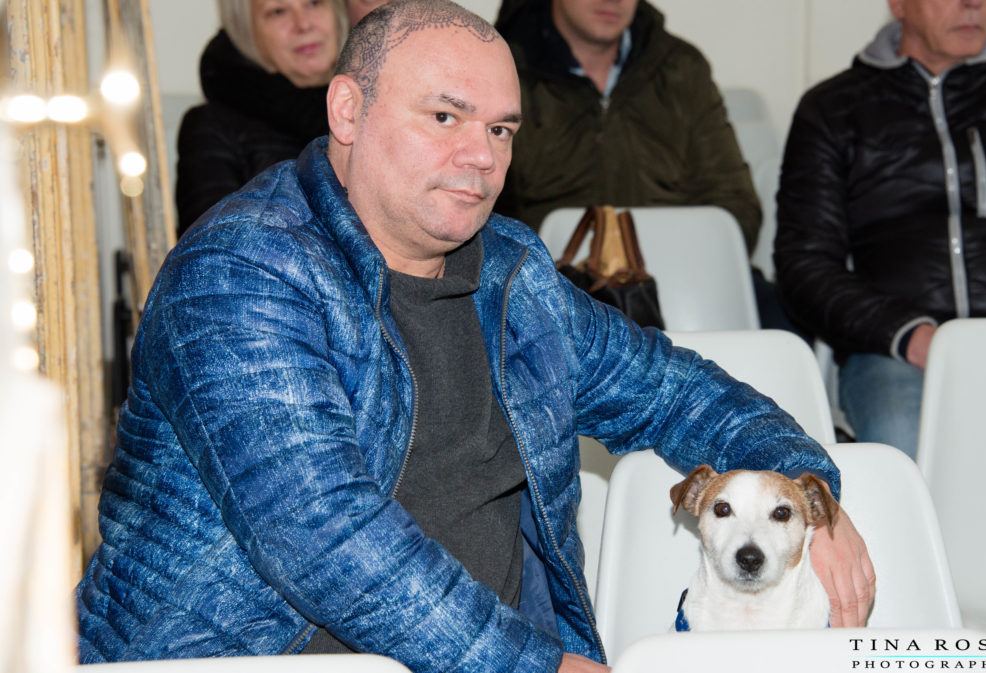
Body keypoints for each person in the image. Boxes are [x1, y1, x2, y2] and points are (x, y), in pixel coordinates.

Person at [77, 1, 874, 670]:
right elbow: (324, 536)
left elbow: (669, 388)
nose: (480, 156)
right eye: (445, 116)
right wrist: (538, 662)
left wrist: (806, 480)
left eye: (500, 129)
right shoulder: (241, 273)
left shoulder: (510, 272)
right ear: (348, 110)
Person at [774, 0, 986, 459]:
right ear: (899, 4)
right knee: (902, 442)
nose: (973, 4)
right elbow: (804, 263)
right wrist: (909, 334)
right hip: (896, 348)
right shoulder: (834, 109)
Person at [493, 0, 803, 336]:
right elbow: (488, 212)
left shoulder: (681, 67)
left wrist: (672, 258)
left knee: (786, 325)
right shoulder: (500, 66)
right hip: (548, 283)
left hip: (684, 280)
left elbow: (735, 203)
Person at [174, 0, 348, 236]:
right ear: (245, 29)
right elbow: (213, 256)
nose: (303, 24)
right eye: (278, 12)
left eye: (314, 3)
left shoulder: (378, 109)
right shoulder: (212, 128)